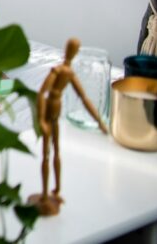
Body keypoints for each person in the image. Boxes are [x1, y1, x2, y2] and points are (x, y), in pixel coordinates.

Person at [29, 37, 108, 216]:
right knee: (46, 154)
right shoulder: (57, 71)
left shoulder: (69, 73)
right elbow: (41, 94)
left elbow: (84, 98)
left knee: (56, 152)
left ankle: (55, 191)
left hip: (57, 113)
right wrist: (41, 119)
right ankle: (43, 194)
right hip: (50, 111)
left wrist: (99, 121)